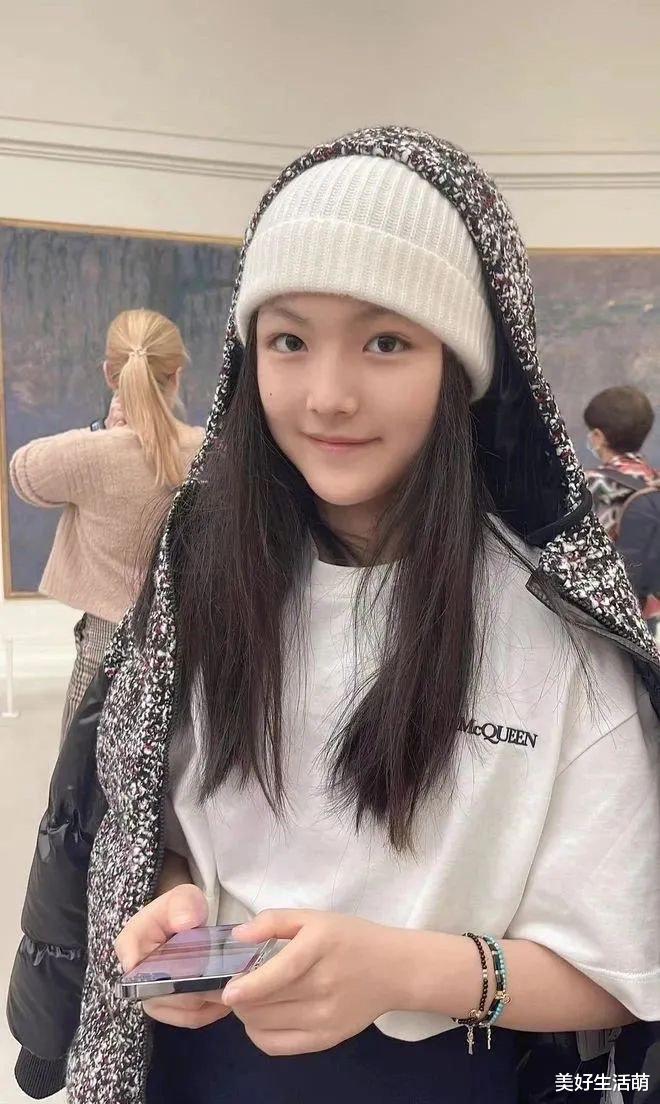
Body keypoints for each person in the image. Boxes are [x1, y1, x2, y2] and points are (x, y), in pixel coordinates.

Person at [8, 127, 660, 1104]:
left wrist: (401, 971)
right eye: (289, 340)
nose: (327, 396)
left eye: (386, 341)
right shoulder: (204, 586)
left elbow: (621, 972)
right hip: (196, 1068)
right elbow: (173, 826)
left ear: (461, 366)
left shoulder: (557, 631)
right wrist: (171, 903)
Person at [9, 308, 205, 738]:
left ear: (109, 375)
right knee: (171, 776)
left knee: (81, 775)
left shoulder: (93, 454)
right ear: (176, 376)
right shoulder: (209, 453)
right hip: (186, 650)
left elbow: (23, 471)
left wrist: (102, 430)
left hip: (103, 645)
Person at [584, 386, 660, 632]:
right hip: (652, 618)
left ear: (598, 436)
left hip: (608, 617)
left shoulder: (589, 486)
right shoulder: (654, 481)